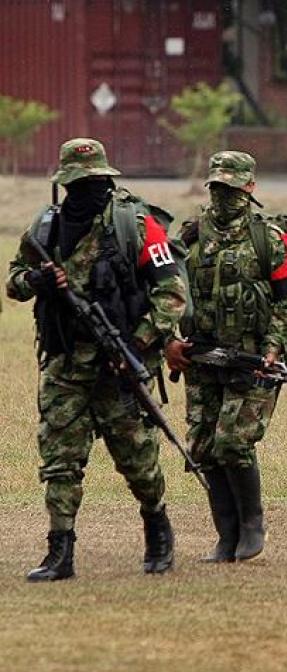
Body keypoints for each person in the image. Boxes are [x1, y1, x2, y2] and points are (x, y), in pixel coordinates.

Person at [6, 138, 186, 581]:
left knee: (137, 458)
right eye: (77, 183)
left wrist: (139, 344)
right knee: (60, 459)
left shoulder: (135, 223)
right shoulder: (46, 227)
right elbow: (14, 281)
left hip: (119, 365)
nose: (85, 191)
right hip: (64, 364)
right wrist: (37, 280)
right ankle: (59, 550)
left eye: (93, 182)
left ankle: (157, 527)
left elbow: (171, 294)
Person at [165, 151, 287, 563]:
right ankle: (225, 535)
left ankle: (251, 527)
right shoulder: (191, 236)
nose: (224, 196)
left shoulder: (270, 239)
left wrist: (273, 349)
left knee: (234, 442)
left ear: (250, 188)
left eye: (232, 188)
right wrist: (169, 343)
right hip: (202, 358)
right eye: (218, 188)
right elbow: (165, 293)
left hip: (252, 359)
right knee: (204, 446)